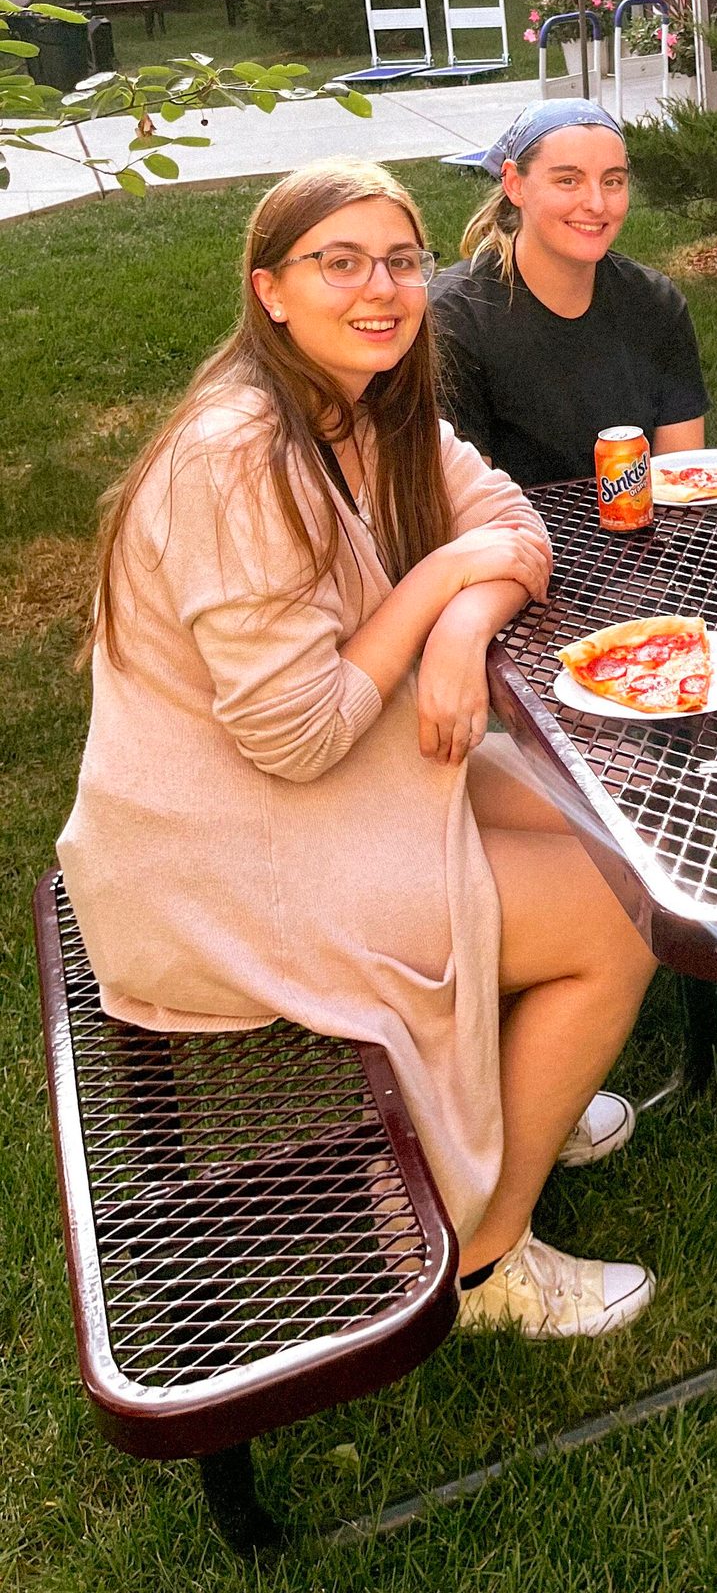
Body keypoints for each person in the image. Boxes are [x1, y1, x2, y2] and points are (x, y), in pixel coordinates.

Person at [58, 160, 662, 1339]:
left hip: (317, 794)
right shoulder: (237, 455)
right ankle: (485, 1263)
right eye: (339, 261)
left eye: (397, 258)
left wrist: (460, 635)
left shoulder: (366, 408)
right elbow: (299, 733)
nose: (379, 286)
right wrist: (439, 581)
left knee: (586, 803)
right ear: (269, 289)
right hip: (221, 863)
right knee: (617, 915)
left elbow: (515, 526)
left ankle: (508, 1083)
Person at [431, 98, 708, 488]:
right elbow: (470, 504)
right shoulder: (457, 318)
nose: (596, 203)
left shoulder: (655, 305)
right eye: (568, 180)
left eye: (612, 181)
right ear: (515, 184)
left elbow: (682, 478)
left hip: (647, 538)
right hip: (515, 540)